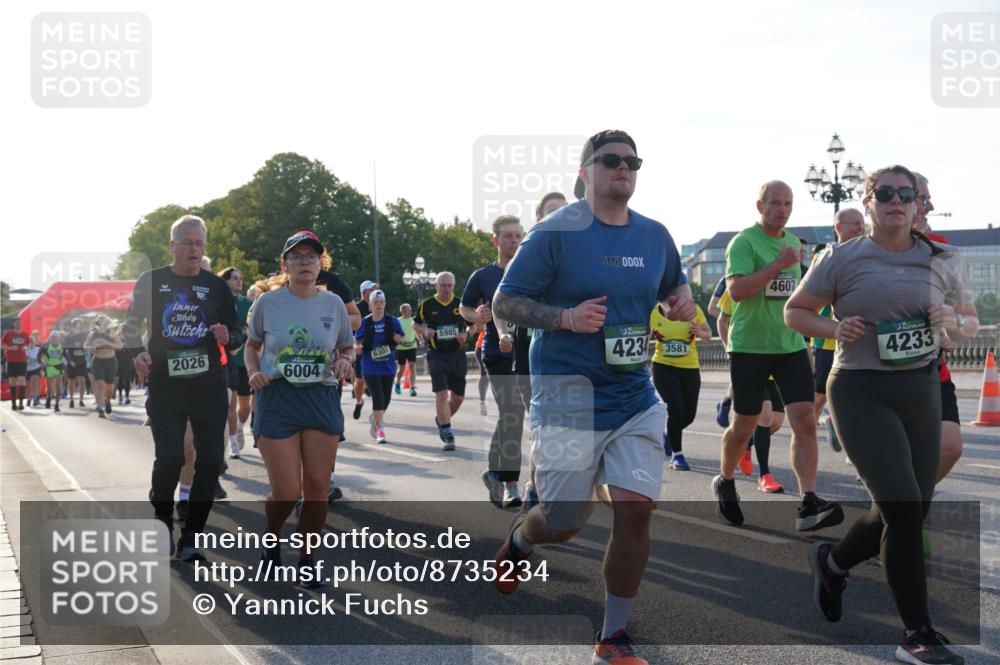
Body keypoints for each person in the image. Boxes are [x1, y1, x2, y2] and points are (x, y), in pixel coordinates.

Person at [492, 130, 694, 665]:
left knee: (636, 512)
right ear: (585, 172)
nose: (623, 168)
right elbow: (505, 301)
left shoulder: (655, 235)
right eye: (610, 161)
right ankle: (520, 541)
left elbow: (677, 285)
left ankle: (613, 636)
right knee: (563, 522)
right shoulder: (553, 234)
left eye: (632, 161)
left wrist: (681, 299)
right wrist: (565, 318)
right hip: (567, 400)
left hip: (634, 397)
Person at [786, 164, 977, 665]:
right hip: (860, 390)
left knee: (908, 507)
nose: (896, 201)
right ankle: (917, 633)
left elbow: (970, 323)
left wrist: (952, 322)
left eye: (905, 194)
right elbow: (796, 310)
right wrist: (833, 329)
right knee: (904, 510)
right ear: (868, 202)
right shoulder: (840, 258)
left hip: (920, 391)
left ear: (917, 204)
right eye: (884, 193)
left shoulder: (942, 258)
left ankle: (833, 561)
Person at [714, 180, 843, 531]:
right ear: (760, 206)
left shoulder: (791, 244)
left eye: (788, 204)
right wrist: (778, 264)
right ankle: (725, 480)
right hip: (750, 347)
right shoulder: (743, 242)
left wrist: (805, 344)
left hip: (788, 347)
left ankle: (808, 501)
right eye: (775, 204)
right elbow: (737, 291)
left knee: (803, 421)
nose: (782, 210)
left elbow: (797, 298)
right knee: (745, 424)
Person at [122, 214, 242, 561]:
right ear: (172, 246)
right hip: (166, 385)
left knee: (209, 461)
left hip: (208, 385)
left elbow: (236, 333)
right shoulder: (152, 281)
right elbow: (130, 327)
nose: (193, 248)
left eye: (199, 243)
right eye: (187, 242)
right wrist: (137, 353)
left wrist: (228, 336)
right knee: (171, 458)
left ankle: (190, 538)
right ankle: (161, 517)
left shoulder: (216, 287)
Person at [245, 230, 355, 584]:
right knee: (287, 490)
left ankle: (307, 556)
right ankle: (272, 538)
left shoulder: (333, 304)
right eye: (297, 257)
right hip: (277, 397)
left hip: (320, 396)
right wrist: (253, 372)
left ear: (319, 265)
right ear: (285, 264)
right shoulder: (268, 303)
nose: (305, 263)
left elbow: (347, 348)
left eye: (312, 257)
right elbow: (251, 346)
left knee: (318, 487)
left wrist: (344, 362)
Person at [461, 214, 528, 508]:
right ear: (495, 240)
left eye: (518, 236)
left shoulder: (530, 272)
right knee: (512, 412)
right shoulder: (483, 276)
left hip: (525, 351)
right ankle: (511, 483)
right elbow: (464, 308)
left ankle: (495, 474)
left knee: (515, 415)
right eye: (508, 236)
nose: (514, 241)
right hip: (495, 351)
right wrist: (478, 316)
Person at [911, 173, 967, 485]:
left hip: (933, 368)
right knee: (899, 461)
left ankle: (910, 509)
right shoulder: (862, 250)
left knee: (950, 447)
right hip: (877, 374)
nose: (930, 206)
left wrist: (952, 326)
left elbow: (963, 311)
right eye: (923, 199)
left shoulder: (943, 247)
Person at [717, 288, 785, 493]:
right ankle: (764, 475)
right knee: (763, 418)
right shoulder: (738, 282)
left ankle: (745, 444)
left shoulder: (787, 279)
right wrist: (730, 348)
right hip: (750, 358)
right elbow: (720, 318)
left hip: (778, 360)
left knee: (775, 423)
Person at [813, 208, 866, 452]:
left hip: (863, 340)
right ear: (838, 228)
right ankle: (808, 425)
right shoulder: (826, 257)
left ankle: (837, 424)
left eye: (861, 223)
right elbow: (805, 306)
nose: (859, 228)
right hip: (828, 341)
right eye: (854, 223)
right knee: (821, 393)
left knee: (862, 398)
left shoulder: (869, 255)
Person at [650, 301, 711, 471]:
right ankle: (677, 455)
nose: (673, 297)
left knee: (689, 415)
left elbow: (708, 334)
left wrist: (700, 332)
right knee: (675, 410)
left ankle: (668, 433)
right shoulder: (652, 313)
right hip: (663, 367)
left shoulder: (694, 309)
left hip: (689, 367)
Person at [414, 272, 470, 451]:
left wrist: (467, 333)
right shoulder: (427, 305)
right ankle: (447, 433)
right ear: (436, 286)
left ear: (454, 286)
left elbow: (474, 323)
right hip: (437, 354)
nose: (446, 289)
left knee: (458, 398)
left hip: (457, 353)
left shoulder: (460, 304)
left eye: (449, 286)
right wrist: (424, 330)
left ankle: (441, 420)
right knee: (441, 394)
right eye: (443, 285)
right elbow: (415, 324)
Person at [355, 290, 405, 443]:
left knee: (386, 399)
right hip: (370, 366)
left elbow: (401, 337)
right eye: (375, 302)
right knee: (378, 397)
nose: (379, 305)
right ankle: (380, 429)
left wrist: (399, 339)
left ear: (385, 304)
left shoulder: (392, 321)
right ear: (370, 304)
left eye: (381, 302)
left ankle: (375, 417)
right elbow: (357, 341)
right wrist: (357, 347)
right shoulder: (365, 322)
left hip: (388, 365)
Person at [218, 267, 254, 457]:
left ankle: (239, 428)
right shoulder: (216, 301)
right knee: (229, 406)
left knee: (245, 406)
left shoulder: (247, 303)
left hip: (245, 361)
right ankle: (233, 445)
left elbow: (255, 328)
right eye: (234, 278)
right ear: (224, 281)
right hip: (226, 361)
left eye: (241, 278)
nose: (239, 282)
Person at [351, 280, 379, 420]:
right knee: (360, 380)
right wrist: (354, 345)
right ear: (363, 293)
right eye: (370, 289)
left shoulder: (378, 305)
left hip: (376, 349)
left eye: (374, 289)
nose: (373, 291)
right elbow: (349, 328)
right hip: (361, 348)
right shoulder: (355, 308)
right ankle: (359, 401)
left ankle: (377, 412)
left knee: (375, 379)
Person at [85, 315, 122, 418]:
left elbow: (119, 346)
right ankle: (100, 407)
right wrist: (92, 347)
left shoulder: (111, 333)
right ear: (97, 322)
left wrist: (106, 343)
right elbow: (86, 346)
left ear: (107, 322)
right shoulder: (92, 334)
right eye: (99, 319)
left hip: (110, 361)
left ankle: (107, 400)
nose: (101, 320)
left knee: (109, 387)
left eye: (103, 319)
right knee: (99, 384)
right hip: (97, 361)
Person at [2, 318, 29, 411]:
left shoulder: (25, 334)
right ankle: (13, 402)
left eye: (20, 323)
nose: (18, 324)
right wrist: (10, 348)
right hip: (11, 361)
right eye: (17, 323)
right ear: (13, 324)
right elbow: (1, 345)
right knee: (12, 382)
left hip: (22, 360)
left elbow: (29, 345)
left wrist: (25, 348)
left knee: (22, 381)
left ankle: (21, 403)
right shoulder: (8, 334)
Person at [393, 303, 420, 397]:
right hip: (401, 347)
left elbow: (416, 332)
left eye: (408, 309)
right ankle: (397, 383)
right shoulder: (397, 321)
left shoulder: (413, 320)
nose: (406, 311)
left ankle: (412, 388)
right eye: (404, 310)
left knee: (412, 366)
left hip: (412, 346)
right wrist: (398, 340)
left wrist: (421, 340)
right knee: (402, 368)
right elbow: (394, 333)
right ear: (401, 311)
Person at [63, 318, 89, 408]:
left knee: (82, 381)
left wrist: (83, 345)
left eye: (81, 323)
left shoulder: (83, 335)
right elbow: (64, 351)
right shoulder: (68, 336)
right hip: (72, 362)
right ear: (74, 324)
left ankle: (81, 400)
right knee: (71, 382)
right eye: (79, 323)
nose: (81, 325)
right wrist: (70, 361)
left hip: (81, 361)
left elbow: (87, 345)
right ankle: (71, 400)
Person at [39, 331, 66, 412]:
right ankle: (49, 398)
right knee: (50, 388)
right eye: (53, 338)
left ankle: (56, 405)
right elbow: (39, 355)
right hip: (49, 368)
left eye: (56, 338)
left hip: (59, 367)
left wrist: (67, 362)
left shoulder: (62, 346)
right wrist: (42, 362)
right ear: (50, 338)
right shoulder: (46, 345)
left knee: (58, 387)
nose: (55, 339)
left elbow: (66, 356)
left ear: (59, 339)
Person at [25, 333, 42, 407]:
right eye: (29, 341)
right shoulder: (24, 350)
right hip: (26, 369)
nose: (30, 343)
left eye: (32, 341)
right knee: (28, 385)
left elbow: (41, 359)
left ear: (34, 342)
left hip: (36, 368)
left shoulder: (38, 349)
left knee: (35, 381)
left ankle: (35, 398)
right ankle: (29, 399)